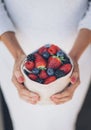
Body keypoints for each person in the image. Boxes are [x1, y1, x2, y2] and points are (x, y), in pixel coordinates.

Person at [0, 0, 91, 130]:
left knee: (62, 122)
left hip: (78, 50)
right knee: (25, 122)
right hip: (13, 51)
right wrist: (17, 54)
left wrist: (74, 56)